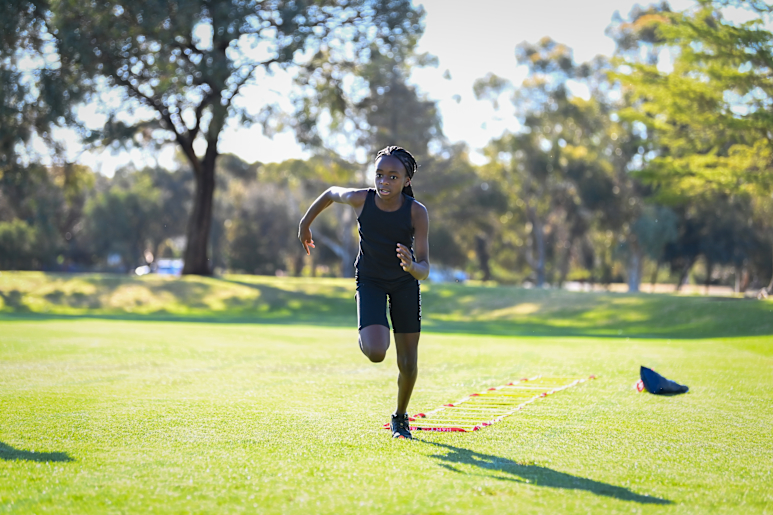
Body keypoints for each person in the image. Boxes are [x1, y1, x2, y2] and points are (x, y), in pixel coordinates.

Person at [298, 146, 430, 440]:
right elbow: (331, 192)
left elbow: (425, 268)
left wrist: (411, 266)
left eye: (392, 177)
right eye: (379, 175)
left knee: (408, 364)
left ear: (406, 180)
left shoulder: (416, 212)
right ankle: (365, 324)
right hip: (370, 281)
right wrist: (305, 224)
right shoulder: (362, 199)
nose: (384, 182)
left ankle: (400, 417)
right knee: (375, 351)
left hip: (405, 284)